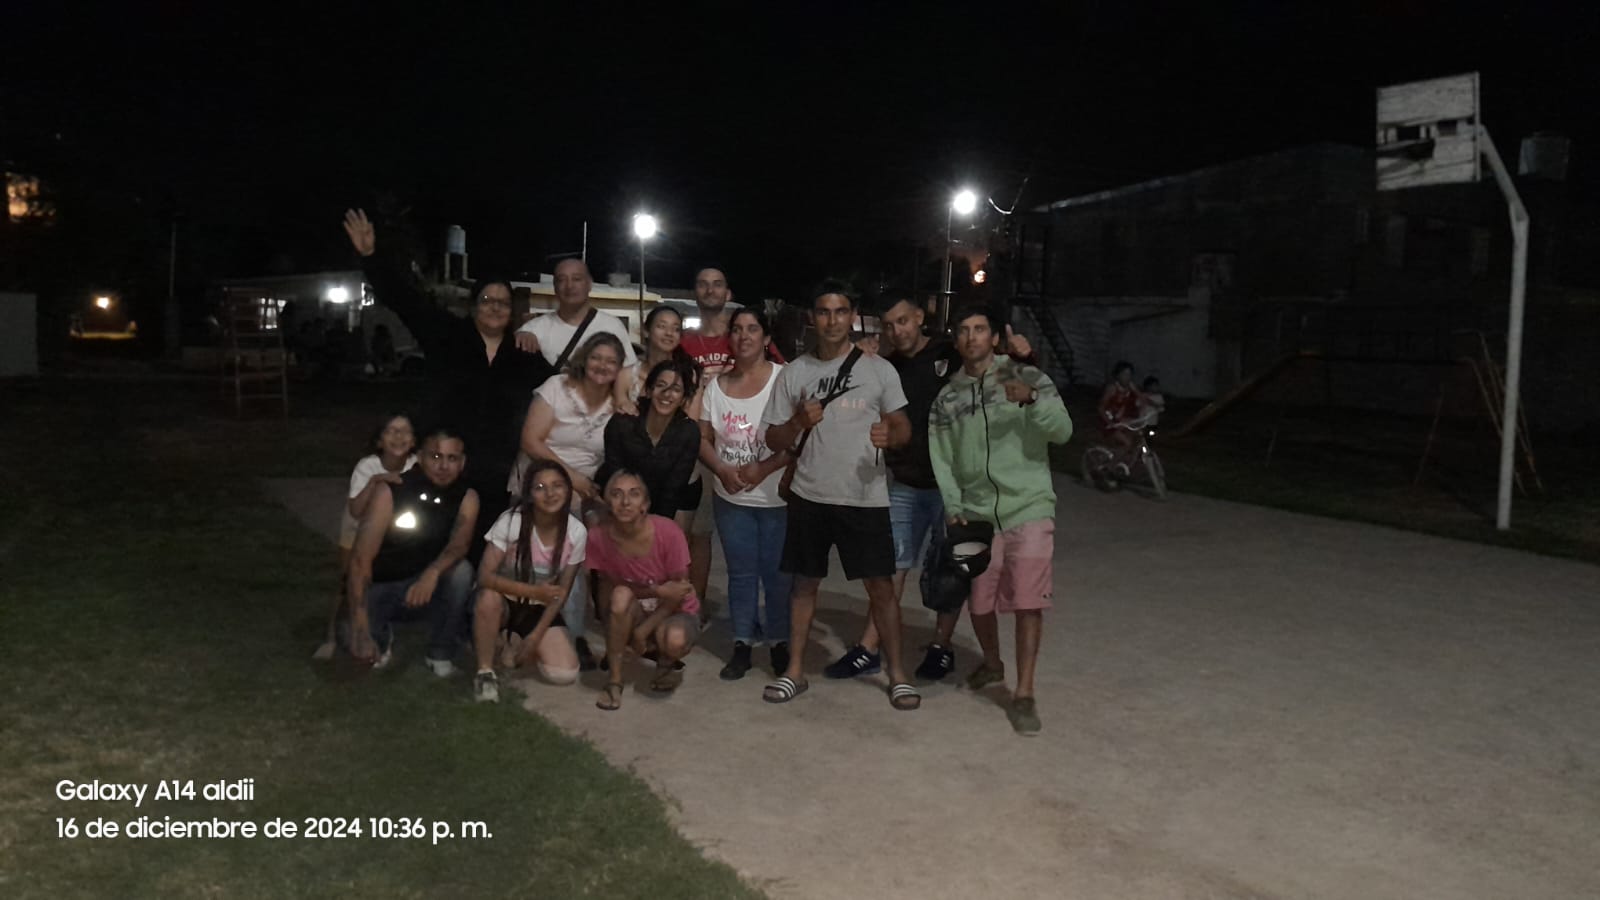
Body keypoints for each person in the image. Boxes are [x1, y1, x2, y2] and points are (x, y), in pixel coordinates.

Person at [822, 296, 1032, 683]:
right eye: (888, 325)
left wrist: (1023, 356)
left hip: (955, 486)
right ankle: (868, 648)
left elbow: (998, 373)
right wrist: (861, 354)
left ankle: (941, 646)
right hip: (905, 483)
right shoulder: (884, 366)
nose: (896, 331)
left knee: (951, 569)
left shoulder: (951, 353)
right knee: (892, 566)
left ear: (919, 318)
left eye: (903, 321)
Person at [342, 209, 553, 562]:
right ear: (474, 306)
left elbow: (565, 389)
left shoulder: (523, 357)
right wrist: (372, 257)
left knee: (479, 556)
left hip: (494, 476)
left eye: (502, 302)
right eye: (487, 300)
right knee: (425, 546)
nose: (494, 308)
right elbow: (407, 300)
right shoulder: (447, 335)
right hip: (442, 467)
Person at [759, 279, 918, 710]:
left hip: (865, 497)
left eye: (841, 311)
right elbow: (772, 439)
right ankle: (794, 670)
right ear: (812, 317)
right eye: (824, 312)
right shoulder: (795, 373)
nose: (832, 320)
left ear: (853, 316)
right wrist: (796, 424)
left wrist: (892, 435)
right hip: (810, 495)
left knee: (881, 589)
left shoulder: (878, 370)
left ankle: (897, 674)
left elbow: (902, 425)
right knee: (804, 584)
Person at [929, 307, 1073, 735]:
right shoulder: (948, 398)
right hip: (975, 515)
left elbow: (1063, 431)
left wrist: (1028, 399)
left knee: (1028, 602)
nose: (971, 337)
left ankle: (1024, 693)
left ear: (994, 338)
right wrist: (953, 505)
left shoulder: (1027, 375)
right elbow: (943, 457)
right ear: (957, 341)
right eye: (964, 331)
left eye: (980, 330)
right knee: (979, 603)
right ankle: (993, 665)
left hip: (1028, 505)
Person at [677, 268, 788, 617]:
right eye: (702, 284)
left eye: (717, 284)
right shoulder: (683, 343)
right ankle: (690, 607)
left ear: (728, 292)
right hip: (699, 448)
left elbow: (788, 389)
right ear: (694, 292)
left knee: (712, 535)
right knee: (694, 533)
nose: (710, 290)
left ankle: (769, 630)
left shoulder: (747, 338)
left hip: (750, 458)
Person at [512, 332, 624, 666]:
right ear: (584, 358)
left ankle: (611, 628)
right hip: (541, 481)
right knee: (570, 548)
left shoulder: (617, 405)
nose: (602, 366)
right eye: (596, 357)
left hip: (585, 492)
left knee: (607, 544)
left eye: (611, 361)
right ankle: (569, 635)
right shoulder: (557, 388)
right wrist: (572, 479)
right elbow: (531, 440)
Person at [698, 307, 791, 679]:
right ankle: (741, 643)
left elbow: (799, 437)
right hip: (730, 498)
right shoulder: (715, 387)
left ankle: (779, 642)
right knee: (740, 573)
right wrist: (721, 468)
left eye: (753, 329)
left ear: (767, 338)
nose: (744, 336)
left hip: (777, 499)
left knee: (777, 575)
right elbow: (703, 437)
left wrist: (764, 469)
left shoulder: (785, 380)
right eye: (737, 329)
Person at [345, 426, 480, 674]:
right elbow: (360, 560)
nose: (443, 466)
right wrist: (361, 627)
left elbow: (459, 545)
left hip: (424, 587)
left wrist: (433, 573)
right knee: (356, 645)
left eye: (452, 458)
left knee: (462, 571)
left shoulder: (467, 497)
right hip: (383, 585)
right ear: (419, 457)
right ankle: (379, 633)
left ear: (462, 463)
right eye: (435, 456)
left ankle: (440, 652)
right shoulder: (392, 491)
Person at [471, 459, 586, 702]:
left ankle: (515, 640)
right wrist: (534, 592)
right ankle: (485, 671)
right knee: (488, 599)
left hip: (539, 606)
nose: (550, 494)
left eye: (557, 486)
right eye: (540, 487)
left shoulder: (576, 532)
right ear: (529, 494)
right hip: (503, 599)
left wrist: (536, 636)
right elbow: (485, 576)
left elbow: (562, 591)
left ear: (568, 490)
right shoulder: (511, 521)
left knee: (563, 674)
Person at [588, 471, 702, 711]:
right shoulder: (598, 537)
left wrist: (641, 632)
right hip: (636, 606)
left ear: (645, 505)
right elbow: (606, 590)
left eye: (634, 494)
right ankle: (614, 682)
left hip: (674, 612)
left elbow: (679, 593)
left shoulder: (668, 532)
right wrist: (613, 636)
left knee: (674, 639)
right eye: (616, 495)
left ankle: (665, 660)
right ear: (608, 503)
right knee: (619, 597)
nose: (625, 502)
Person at [313, 413, 420, 661]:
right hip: (356, 530)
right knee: (348, 582)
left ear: (414, 440)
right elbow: (356, 510)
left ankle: (377, 631)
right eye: (391, 431)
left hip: (392, 534)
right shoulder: (367, 467)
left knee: (382, 582)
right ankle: (330, 636)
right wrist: (376, 482)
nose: (398, 437)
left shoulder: (416, 465)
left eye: (404, 431)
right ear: (380, 441)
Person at [514, 258, 637, 410]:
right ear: (554, 287)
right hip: (549, 421)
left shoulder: (612, 326)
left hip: (598, 418)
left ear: (589, 284)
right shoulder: (535, 329)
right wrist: (522, 335)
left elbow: (628, 373)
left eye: (576, 279)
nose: (569, 286)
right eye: (562, 280)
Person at [596, 358, 702, 521]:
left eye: (676, 389)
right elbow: (615, 477)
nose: (667, 394)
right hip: (616, 505)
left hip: (660, 508)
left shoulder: (689, 433)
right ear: (649, 390)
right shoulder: (622, 423)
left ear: (683, 398)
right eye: (660, 385)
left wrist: (656, 529)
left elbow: (673, 490)